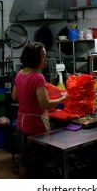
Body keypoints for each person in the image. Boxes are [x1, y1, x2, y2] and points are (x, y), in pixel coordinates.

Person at [12, 42, 68, 178]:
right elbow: (45, 104)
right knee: (38, 162)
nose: (46, 59)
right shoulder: (38, 77)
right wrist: (63, 98)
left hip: (21, 123)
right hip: (35, 125)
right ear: (34, 58)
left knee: (25, 159)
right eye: (43, 56)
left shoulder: (20, 74)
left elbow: (14, 96)